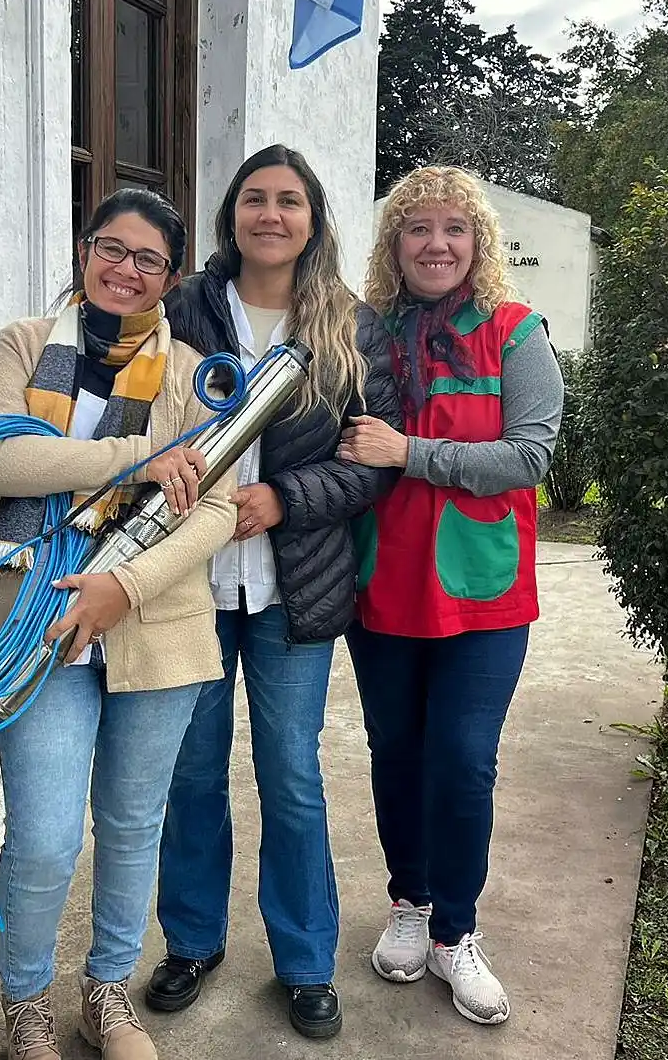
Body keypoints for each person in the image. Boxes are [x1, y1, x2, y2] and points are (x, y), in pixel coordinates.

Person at [0, 188, 236, 1060]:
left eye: (147, 259)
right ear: (84, 253)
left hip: (155, 624)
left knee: (131, 823)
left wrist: (124, 585)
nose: (125, 269)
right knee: (42, 838)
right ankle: (27, 1004)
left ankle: (108, 994)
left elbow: (218, 508)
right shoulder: (24, 345)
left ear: (170, 276)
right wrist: (140, 458)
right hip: (34, 616)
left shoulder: (195, 374)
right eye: (110, 248)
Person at [145, 144, 403, 1039]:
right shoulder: (181, 311)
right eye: (255, 199)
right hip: (187, 585)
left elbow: (370, 466)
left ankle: (304, 958)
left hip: (295, 590)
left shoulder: (350, 325)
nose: (271, 215)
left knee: (291, 776)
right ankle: (192, 941)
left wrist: (282, 499)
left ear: (313, 219)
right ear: (231, 217)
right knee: (190, 772)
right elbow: (140, 425)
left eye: (289, 201)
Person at [340, 166, 564, 1026]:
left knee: (463, 762)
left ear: (478, 243)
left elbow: (528, 457)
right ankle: (409, 902)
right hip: (385, 584)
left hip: (481, 592)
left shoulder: (514, 332)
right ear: (395, 246)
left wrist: (411, 453)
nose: (436, 245)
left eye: (453, 230)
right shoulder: (369, 336)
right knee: (396, 749)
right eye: (417, 230)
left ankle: (455, 935)